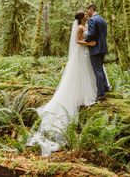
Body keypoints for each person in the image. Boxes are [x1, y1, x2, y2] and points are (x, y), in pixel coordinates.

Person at [27, 11, 97, 156]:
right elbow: (78, 42)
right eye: (84, 15)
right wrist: (89, 43)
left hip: (84, 53)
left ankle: (84, 93)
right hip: (80, 52)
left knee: (85, 74)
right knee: (78, 75)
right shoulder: (79, 28)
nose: (86, 16)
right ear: (80, 18)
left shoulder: (85, 25)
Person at [85, 3, 111, 101]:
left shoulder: (92, 20)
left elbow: (91, 34)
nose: (87, 12)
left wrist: (84, 41)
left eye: (87, 10)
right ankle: (105, 87)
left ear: (91, 9)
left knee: (97, 71)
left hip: (95, 49)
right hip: (103, 48)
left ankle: (101, 94)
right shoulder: (103, 20)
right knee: (100, 69)